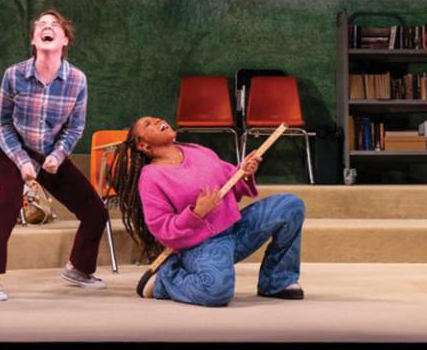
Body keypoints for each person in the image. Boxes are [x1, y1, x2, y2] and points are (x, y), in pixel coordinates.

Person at [0, 10, 109, 301]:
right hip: (12, 149)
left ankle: (79, 269)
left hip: (49, 153)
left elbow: (75, 128)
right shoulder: (14, 74)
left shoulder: (77, 80)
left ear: (65, 39)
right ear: (34, 39)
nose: (47, 28)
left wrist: (57, 157)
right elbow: (2, 124)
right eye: (41, 26)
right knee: (8, 203)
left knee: (96, 211)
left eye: (54, 26)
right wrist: (22, 161)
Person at [111, 116, 306, 306]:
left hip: (235, 229)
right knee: (217, 292)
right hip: (201, 244)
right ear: (142, 145)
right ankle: (165, 279)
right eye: (148, 124)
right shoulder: (151, 178)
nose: (157, 121)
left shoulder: (198, 151)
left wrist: (244, 172)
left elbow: (230, 183)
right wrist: (196, 214)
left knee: (290, 205)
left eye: (156, 118)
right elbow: (161, 228)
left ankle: (276, 281)